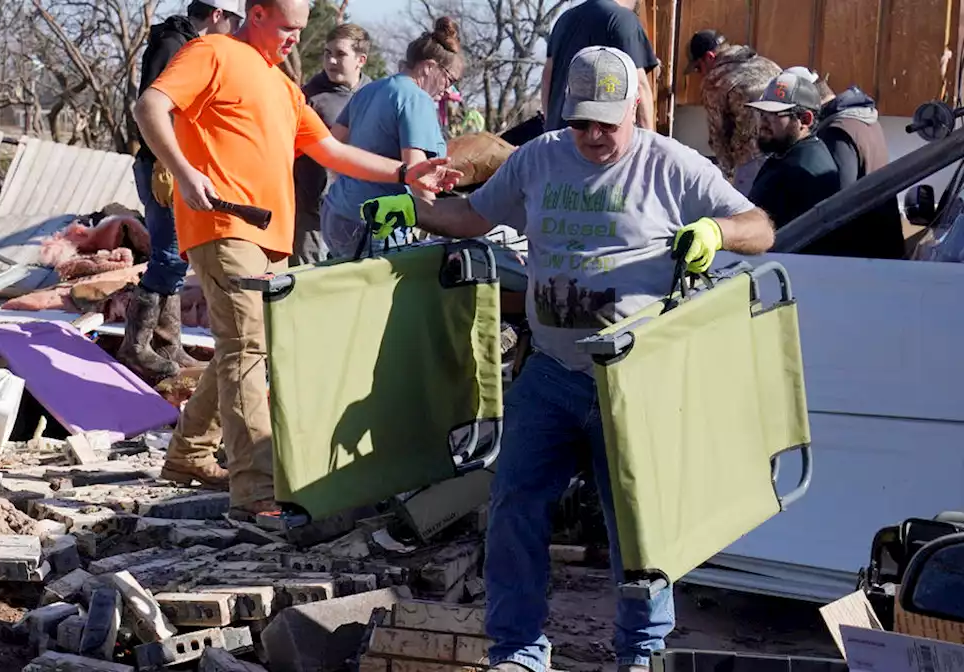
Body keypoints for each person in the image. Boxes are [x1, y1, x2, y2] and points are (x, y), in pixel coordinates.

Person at [358, 46, 776, 672]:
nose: (594, 135)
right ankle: (518, 651)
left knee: (640, 526)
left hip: (634, 379)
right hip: (551, 374)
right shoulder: (538, 158)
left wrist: (718, 232)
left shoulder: (669, 164)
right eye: (582, 122)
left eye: (607, 122)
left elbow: (761, 226)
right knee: (515, 511)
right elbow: (474, 214)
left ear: (635, 107)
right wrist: (416, 211)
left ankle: (642, 653)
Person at [132, 0, 462, 517]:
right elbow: (149, 106)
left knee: (242, 346)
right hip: (223, 225)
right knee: (248, 350)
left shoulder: (283, 85)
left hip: (271, 237)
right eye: (288, 28)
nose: (295, 40)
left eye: (301, 30)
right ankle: (257, 489)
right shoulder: (212, 52)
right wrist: (182, 169)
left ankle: (189, 453)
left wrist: (405, 174)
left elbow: (332, 150)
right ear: (256, 12)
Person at [121, 0, 245, 388]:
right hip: (164, 167)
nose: (235, 30)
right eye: (235, 20)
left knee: (176, 255)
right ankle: (136, 344)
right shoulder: (173, 44)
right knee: (169, 255)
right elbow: (154, 106)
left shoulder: (187, 43)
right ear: (219, 15)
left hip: (177, 167)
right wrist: (165, 163)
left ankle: (167, 344)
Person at [320, 17, 464, 259]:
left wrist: (349, 186)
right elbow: (419, 175)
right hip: (377, 225)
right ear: (429, 67)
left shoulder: (369, 89)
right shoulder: (416, 99)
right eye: (449, 79)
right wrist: (444, 224)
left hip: (337, 214)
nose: (448, 89)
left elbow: (332, 147)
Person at [291, 23, 373, 265]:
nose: (332, 61)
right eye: (328, 53)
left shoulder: (376, 93)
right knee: (309, 282)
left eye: (340, 54)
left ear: (361, 60)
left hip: (361, 210)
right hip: (312, 213)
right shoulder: (308, 97)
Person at [809, 74, 905, 259]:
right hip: (885, 238)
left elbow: (840, 200)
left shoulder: (837, 131)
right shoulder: (866, 120)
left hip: (862, 250)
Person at [745, 72, 843, 245]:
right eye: (762, 113)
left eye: (775, 114)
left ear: (805, 119)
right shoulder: (786, 155)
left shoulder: (805, 172)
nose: (763, 122)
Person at [686, 29, 781, 194]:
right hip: (785, 151)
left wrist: (729, 175)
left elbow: (718, 135)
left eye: (698, 68)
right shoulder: (767, 64)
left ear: (709, 57)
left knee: (748, 213)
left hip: (753, 158)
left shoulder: (715, 80)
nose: (699, 75)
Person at [541, 0, 659, 132]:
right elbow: (639, 86)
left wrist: (550, 127)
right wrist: (650, 144)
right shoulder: (622, 19)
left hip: (559, 138)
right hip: (599, 141)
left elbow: (547, 79)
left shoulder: (564, 20)